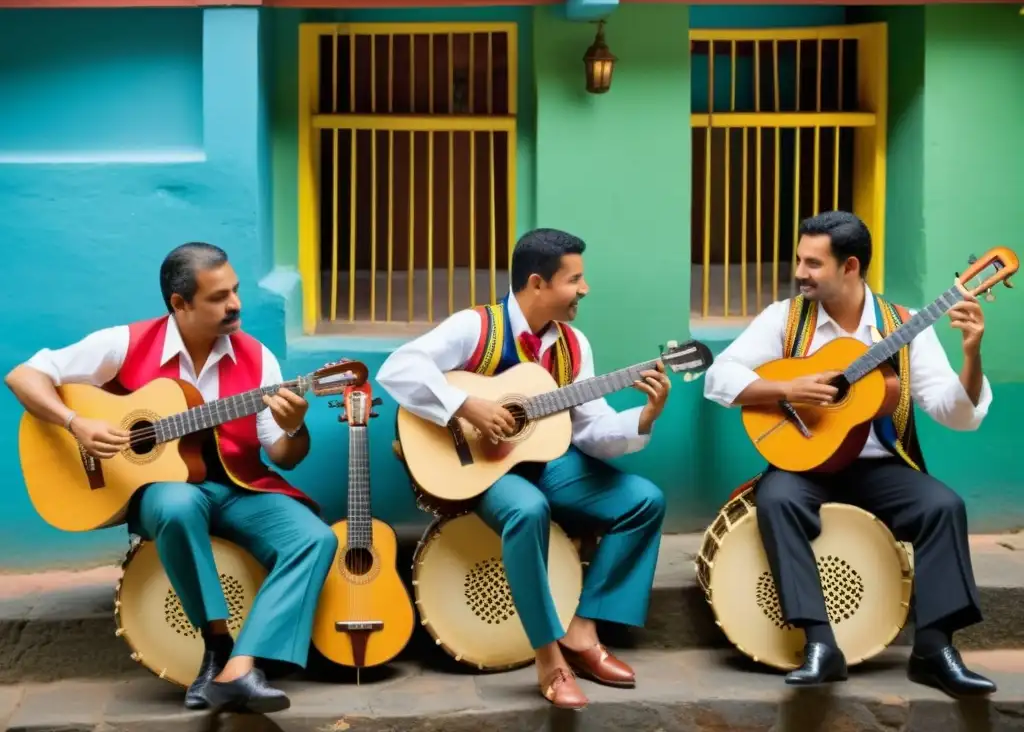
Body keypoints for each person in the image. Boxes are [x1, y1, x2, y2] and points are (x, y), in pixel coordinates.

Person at [4, 242, 338, 714]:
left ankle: (239, 669)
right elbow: (24, 376)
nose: (235, 304)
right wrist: (75, 423)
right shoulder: (124, 343)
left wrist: (294, 423)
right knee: (178, 503)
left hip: (238, 487)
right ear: (180, 304)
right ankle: (217, 643)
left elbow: (284, 456)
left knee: (316, 539)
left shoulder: (256, 358)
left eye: (236, 291)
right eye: (219, 297)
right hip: (162, 491)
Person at [703, 210, 995, 698]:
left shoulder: (903, 326)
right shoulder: (785, 318)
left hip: (879, 466)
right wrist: (787, 387)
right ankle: (821, 644)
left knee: (944, 506)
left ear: (851, 267)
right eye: (800, 259)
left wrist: (971, 354)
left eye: (813, 263)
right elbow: (719, 377)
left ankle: (934, 648)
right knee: (777, 499)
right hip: (806, 462)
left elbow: (955, 413)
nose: (800, 272)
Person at [376, 228, 669, 710]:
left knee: (644, 501)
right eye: (575, 279)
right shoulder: (476, 327)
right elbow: (398, 368)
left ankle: (582, 629)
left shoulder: (574, 345)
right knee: (528, 510)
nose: (584, 289)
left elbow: (590, 430)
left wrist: (644, 417)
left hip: (548, 462)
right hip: (478, 470)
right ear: (537, 283)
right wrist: (465, 405)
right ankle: (548, 654)